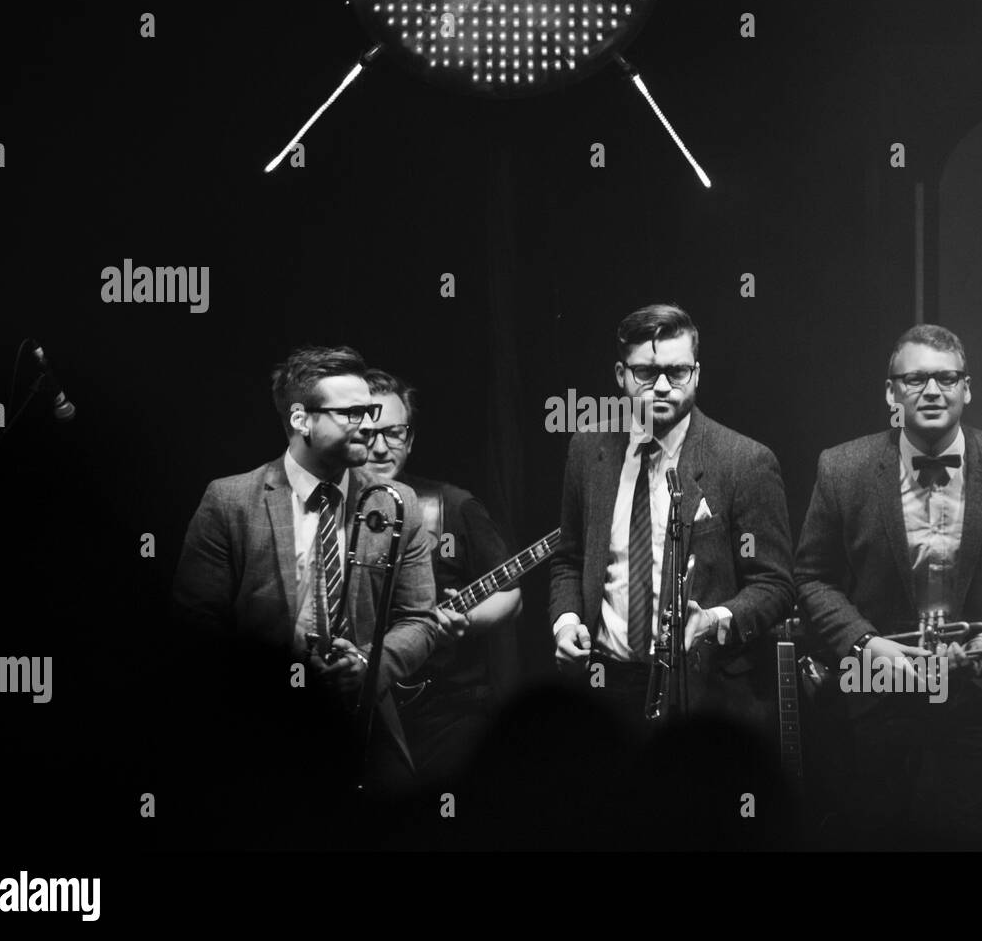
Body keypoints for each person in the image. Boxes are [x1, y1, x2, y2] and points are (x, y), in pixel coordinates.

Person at [793, 323, 982, 848]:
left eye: (946, 378)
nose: (932, 391)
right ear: (891, 392)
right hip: (880, 706)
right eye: (915, 378)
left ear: (967, 388)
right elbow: (811, 578)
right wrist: (865, 645)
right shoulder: (841, 468)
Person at [172, 345, 440, 790]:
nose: (368, 424)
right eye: (351, 412)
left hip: (362, 724)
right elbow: (194, 625)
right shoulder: (230, 501)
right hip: (256, 727)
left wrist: (368, 665)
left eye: (370, 410)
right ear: (301, 420)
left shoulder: (397, 504)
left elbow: (420, 620)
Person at [550, 303, 794, 732]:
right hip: (603, 685)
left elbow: (775, 585)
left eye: (677, 372)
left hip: (704, 692)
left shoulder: (745, 461)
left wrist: (714, 621)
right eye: (646, 372)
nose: (662, 386)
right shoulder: (587, 450)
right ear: (621, 375)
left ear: (696, 374)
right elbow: (568, 559)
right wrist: (566, 623)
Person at [360, 369, 524, 783]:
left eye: (394, 433)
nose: (381, 447)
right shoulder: (334, 512)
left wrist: (465, 623)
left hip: (448, 712)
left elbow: (511, 595)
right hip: (367, 711)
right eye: (368, 433)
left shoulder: (453, 504)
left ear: (410, 440)